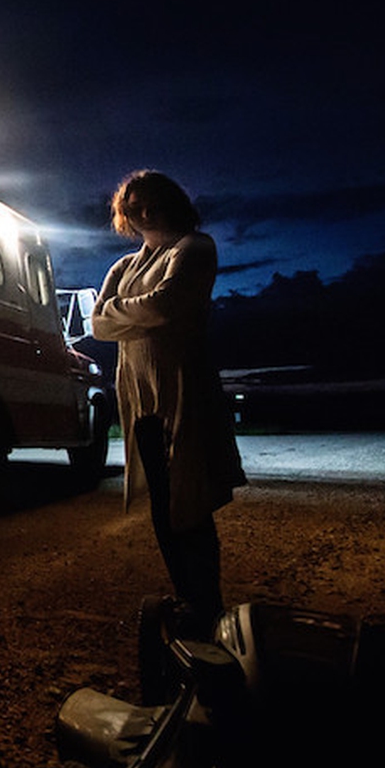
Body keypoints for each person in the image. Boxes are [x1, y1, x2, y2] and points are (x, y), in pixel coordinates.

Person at [91, 171, 244, 636]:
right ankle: (188, 599)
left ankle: (207, 605)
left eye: (151, 200)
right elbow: (98, 324)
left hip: (184, 393)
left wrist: (125, 313)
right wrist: (138, 314)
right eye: (133, 204)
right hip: (142, 402)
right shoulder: (124, 266)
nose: (143, 211)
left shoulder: (194, 248)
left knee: (189, 502)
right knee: (163, 505)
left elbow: (165, 304)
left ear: (170, 201)